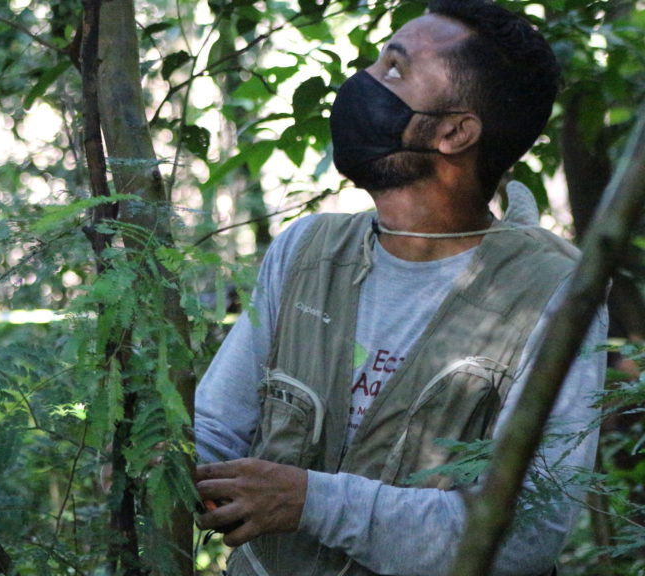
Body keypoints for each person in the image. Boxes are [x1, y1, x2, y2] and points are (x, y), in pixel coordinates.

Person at [193, 1, 608, 575]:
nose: (359, 83)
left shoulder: (555, 290)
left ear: (454, 132)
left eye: (393, 69)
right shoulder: (306, 249)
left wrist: (313, 502)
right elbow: (215, 432)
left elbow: (525, 534)